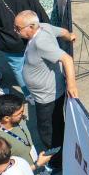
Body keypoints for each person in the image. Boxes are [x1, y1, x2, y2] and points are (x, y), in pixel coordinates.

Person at [16, 10, 78, 166]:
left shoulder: (40, 43)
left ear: (31, 27)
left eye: (18, 28)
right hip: (45, 94)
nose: (15, 31)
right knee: (56, 124)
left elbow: (67, 59)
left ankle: (57, 161)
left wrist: (71, 85)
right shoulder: (43, 27)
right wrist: (70, 36)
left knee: (48, 130)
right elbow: (62, 32)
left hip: (47, 97)